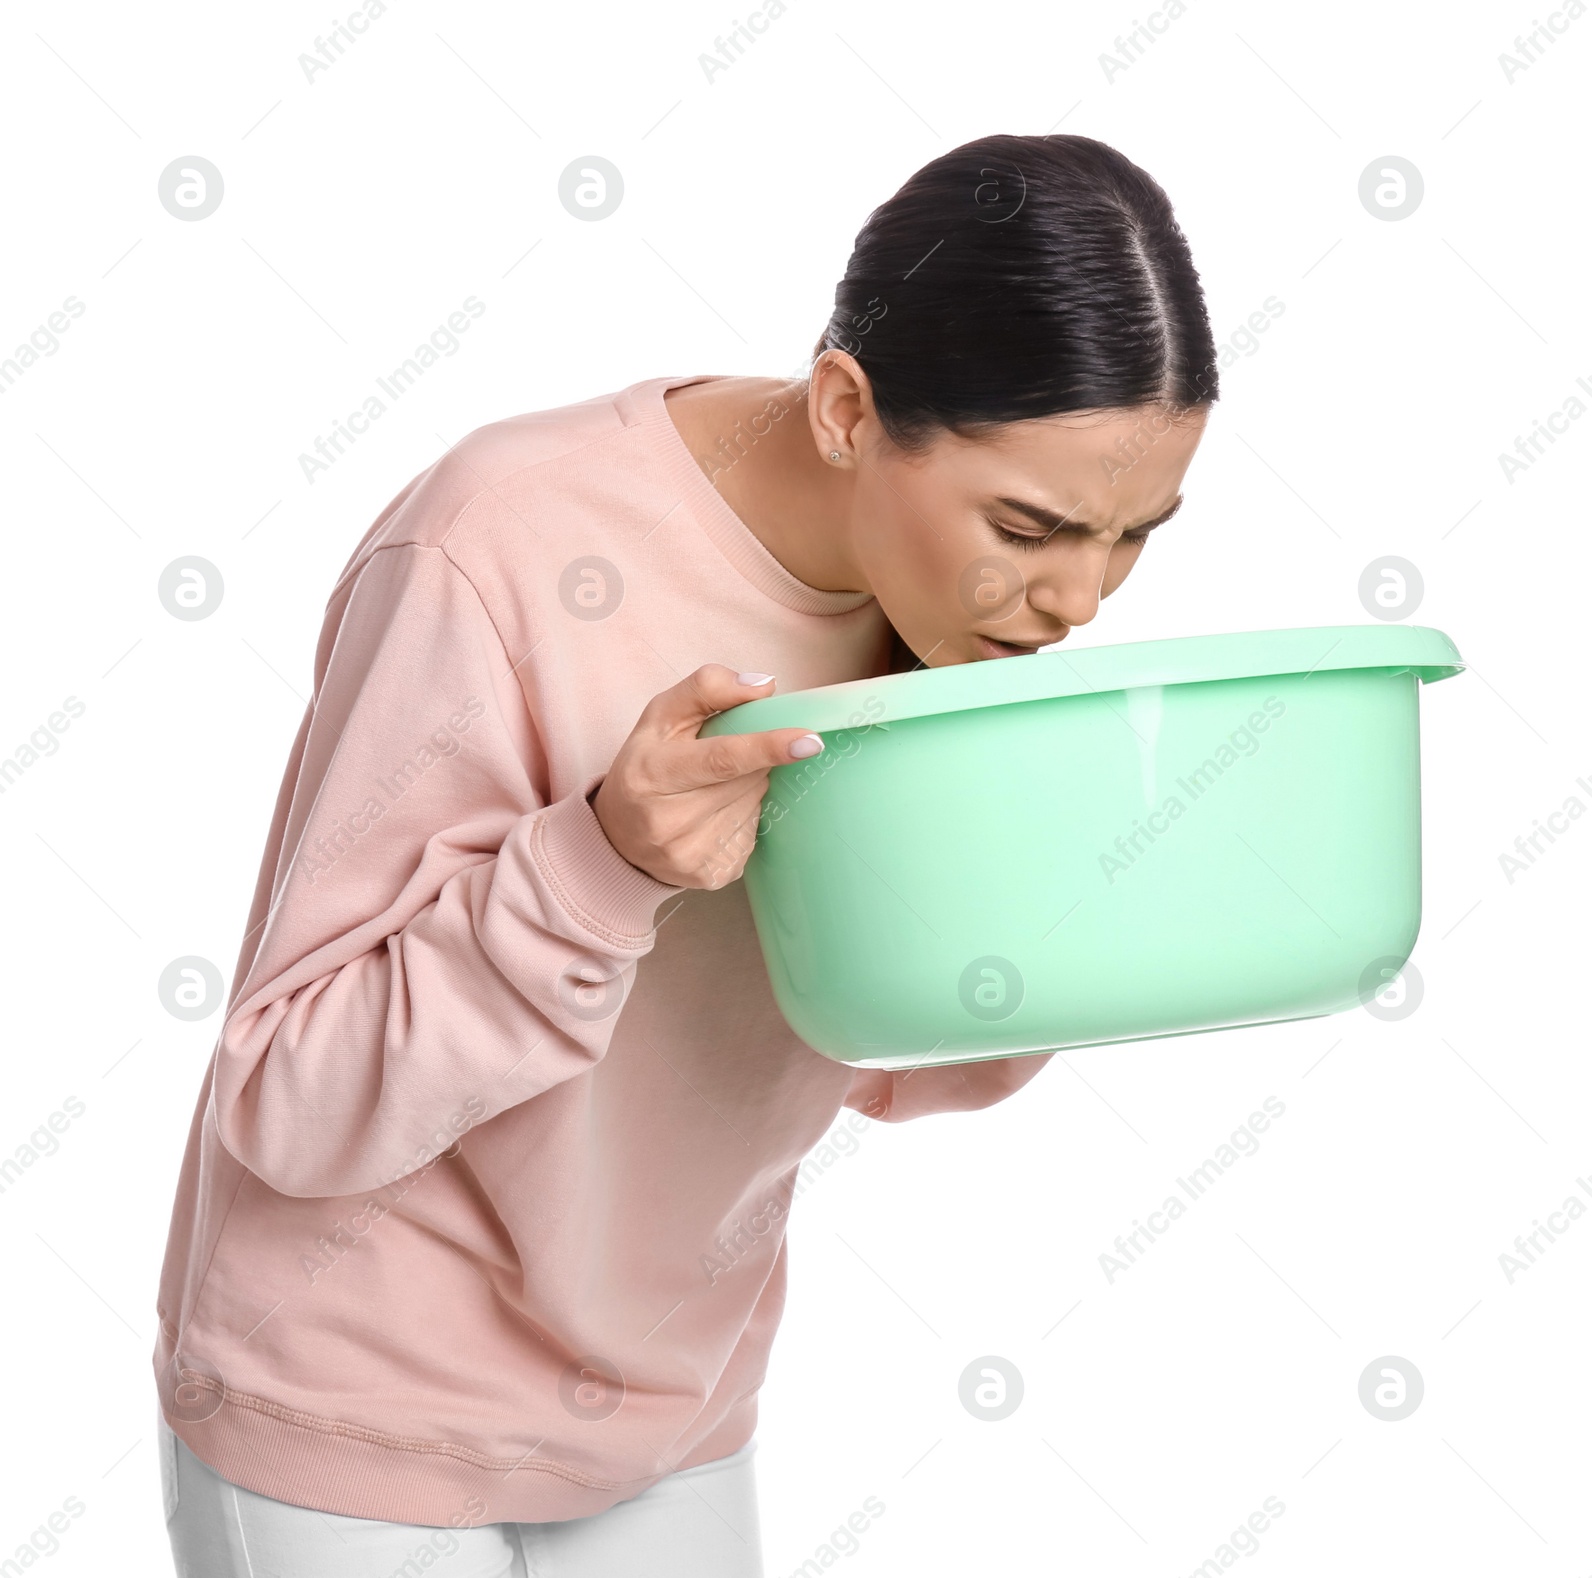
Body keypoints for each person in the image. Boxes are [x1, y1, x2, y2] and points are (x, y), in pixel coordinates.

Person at [153, 130, 1218, 1576]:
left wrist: (1061, 912)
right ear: (847, 406)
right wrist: (600, 865)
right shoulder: (500, 540)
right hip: (353, 1418)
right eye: (1031, 527)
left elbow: (886, 1052)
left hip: (667, 1414)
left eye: (1132, 537)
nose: (1080, 598)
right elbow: (286, 1100)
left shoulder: (954, 628)